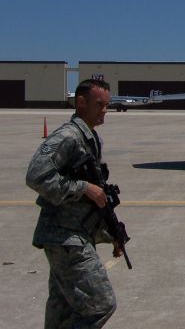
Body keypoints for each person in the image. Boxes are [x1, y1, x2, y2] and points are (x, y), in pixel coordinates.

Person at [26, 79, 122, 328]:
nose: (105, 110)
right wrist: (83, 188)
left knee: (63, 309)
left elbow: (92, 199)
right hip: (65, 237)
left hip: (71, 235)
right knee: (100, 305)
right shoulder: (68, 136)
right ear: (81, 103)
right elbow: (36, 176)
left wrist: (110, 234)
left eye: (107, 105)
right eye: (99, 104)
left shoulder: (90, 138)